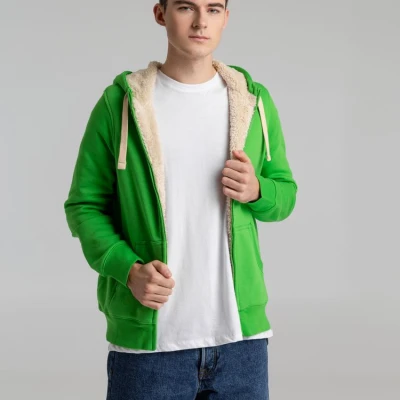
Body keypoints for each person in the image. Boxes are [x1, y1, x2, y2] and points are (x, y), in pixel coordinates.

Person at [64, 0, 298, 398]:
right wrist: (129, 270)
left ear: (226, 17)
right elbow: (84, 206)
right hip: (150, 349)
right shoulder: (120, 104)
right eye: (187, 7)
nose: (201, 21)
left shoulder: (253, 101)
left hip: (241, 345)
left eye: (214, 9)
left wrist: (258, 190)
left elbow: (285, 194)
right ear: (161, 14)